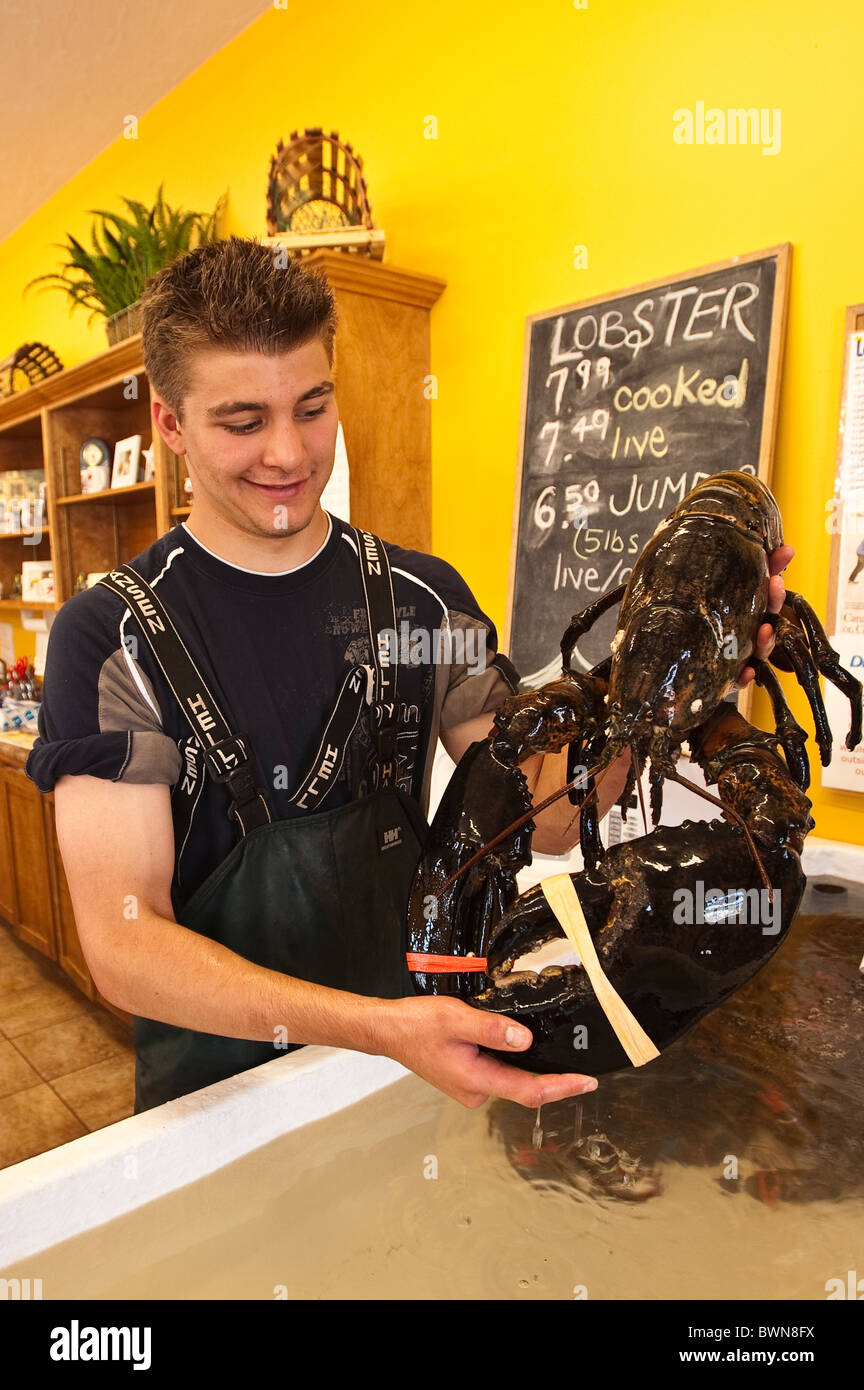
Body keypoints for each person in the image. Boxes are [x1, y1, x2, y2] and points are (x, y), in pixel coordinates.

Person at [25, 236, 791, 1115]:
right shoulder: (110, 636)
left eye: (312, 408)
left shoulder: (428, 605)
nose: (288, 453)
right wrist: (374, 1024)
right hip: (218, 1103)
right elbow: (125, 947)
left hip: (412, 1076)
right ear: (169, 424)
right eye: (243, 422)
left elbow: (549, 817)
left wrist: (685, 677)